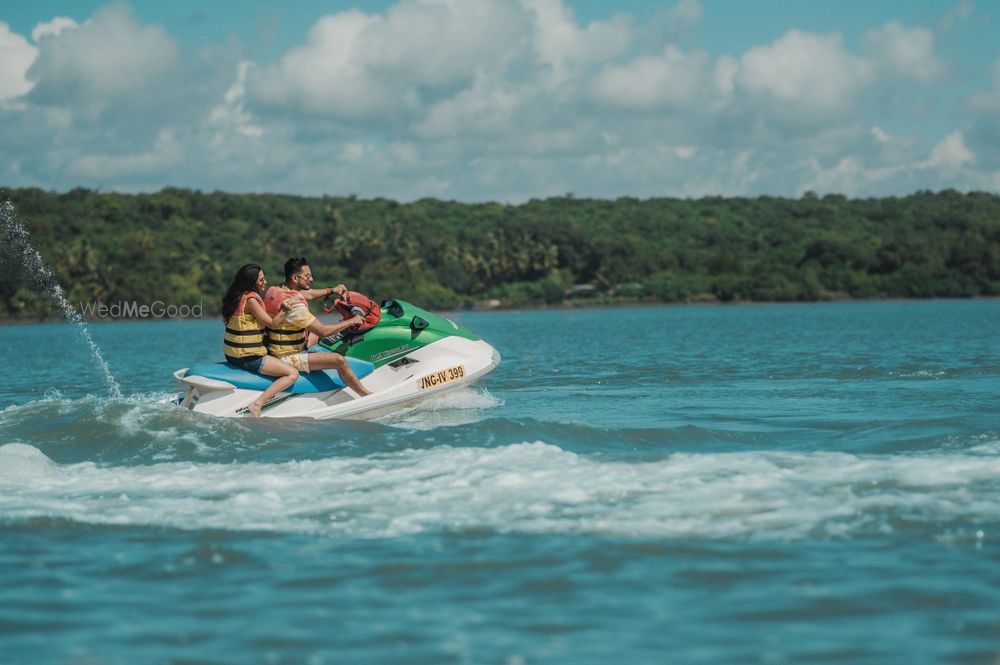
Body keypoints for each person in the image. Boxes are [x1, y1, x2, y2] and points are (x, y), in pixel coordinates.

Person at [264, 257, 373, 397]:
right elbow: (323, 331)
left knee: (318, 334)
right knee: (338, 360)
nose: (311, 279)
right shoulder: (295, 306)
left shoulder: (274, 291)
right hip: (288, 357)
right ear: (295, 278)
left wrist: (333, 290)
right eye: (307, 276)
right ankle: (365, 395)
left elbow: (308, 294)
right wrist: (351, 321)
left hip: (275, 348)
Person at [221, 263, 301, 417]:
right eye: (261, 280)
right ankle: (257, 404)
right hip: (248, 358)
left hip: (231, 355)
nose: (265, 282)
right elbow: (272, 324)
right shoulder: (251, 301)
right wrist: (286, 308)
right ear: (251, 282)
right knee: (292, 373)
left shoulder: (236, 298)